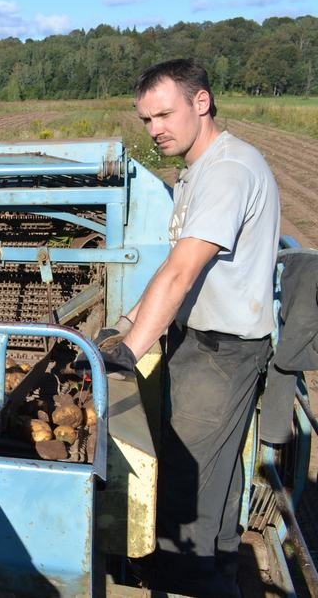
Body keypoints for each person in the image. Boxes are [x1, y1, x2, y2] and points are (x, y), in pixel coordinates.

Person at [94, 59, 280, 597]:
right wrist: (129, 322)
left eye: (164, 114)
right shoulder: (199, 169)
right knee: (202, 480)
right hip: (199, 343)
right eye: (147, 119)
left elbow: (182, 270)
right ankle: (208, 576)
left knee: (188, 485)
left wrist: (126, 351)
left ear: (201, 102)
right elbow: (175, 264)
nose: (155, 129)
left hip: (223, 352)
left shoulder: (228, 170)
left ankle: (190, 585)